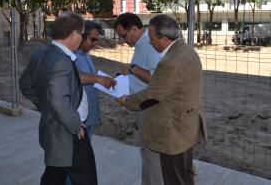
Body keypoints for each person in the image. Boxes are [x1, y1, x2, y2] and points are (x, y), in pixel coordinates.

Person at [116, 14, 207, 185]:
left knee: (174, 177)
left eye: (151, 38)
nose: (149, 42)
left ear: (164, 39)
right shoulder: (187, 50)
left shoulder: (170, 62)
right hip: (186, 125)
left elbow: (153, 94)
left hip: (173, 130)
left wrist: (126, 101)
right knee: (184, 174)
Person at [19, 12, 97, 185]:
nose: (83, 38)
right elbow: (59, 102)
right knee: (86, 178)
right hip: (69, 131)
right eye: (83, 34)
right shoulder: (62, 61)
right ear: (74, 34)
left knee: (55, 173)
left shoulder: (41, 53)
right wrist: (76, 125)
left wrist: (44, 105)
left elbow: (25, 85)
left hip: (56, 127)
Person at [114, 12, 163, 185]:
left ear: (134, 29)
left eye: (123, 35)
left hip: (149, 108)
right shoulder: (141, 46)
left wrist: (133, 68)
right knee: (147, 152)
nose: (123, 40)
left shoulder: (150, 46)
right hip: (141, 106)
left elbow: (156, 79)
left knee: (152, 154)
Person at [75, 20, 116, 140]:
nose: (95, 43)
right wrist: (98, 79)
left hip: (89, 115)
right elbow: (73, 76)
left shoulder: (86, 54)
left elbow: (90, 78)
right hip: (79, 118)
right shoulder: (71, 55)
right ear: (82, 36)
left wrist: (105, 79)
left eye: (97, 40)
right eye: (92, 39)